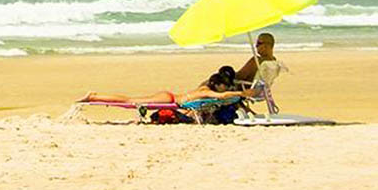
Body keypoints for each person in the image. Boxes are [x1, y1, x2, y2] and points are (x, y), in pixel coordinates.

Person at [77, 79, 254, 107]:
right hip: (169, 99)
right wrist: (245, 93)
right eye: (226, 86)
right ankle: (94, 96)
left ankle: (95, 96)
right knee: (131, 101)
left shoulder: (203, 87)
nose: (226, 89)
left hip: (169, 96)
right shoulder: (208, 93)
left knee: (130, 100)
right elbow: (222, 96)